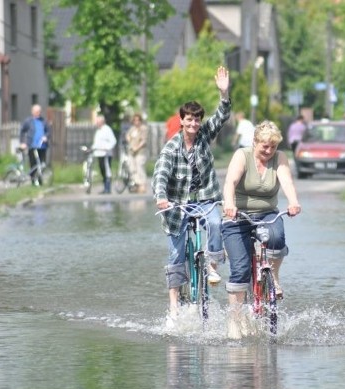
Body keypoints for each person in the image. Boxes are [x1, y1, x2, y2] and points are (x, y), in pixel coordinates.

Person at [152, 66, 231, 317]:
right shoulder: (171, 148)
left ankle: (212, 262)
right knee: (176, 253)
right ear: (182, 121)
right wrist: (161, 197)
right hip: (177, 205)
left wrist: (224, 93)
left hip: (205, 198)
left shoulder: (205, 136)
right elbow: (161, 175)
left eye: (197, 119)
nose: (194, 123)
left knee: (217, 222)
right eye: (189, 119)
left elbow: (221, 116)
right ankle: (175, 304)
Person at [222, 120, 302, 339]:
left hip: (267, 212)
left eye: (273, 146)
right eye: (264, 146)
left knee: (277, 238)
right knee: (240, 269)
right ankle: (235, 321)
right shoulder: (242, 155)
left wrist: (293, 202)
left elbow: (286, 182)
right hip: (237, 215)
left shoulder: (280, 158)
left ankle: (273, 276)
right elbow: (230, 182)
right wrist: (229, 204)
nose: (269, 151)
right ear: (254, 141)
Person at [19, 104, 51, 186]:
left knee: (41, 164)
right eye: (36, 111)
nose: (38, 113)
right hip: (32, 146)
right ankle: (33, 181)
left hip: (42, 147)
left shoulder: (44, 121)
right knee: (33, 164)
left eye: (39, 111)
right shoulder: (28, 121)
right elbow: (22, 131)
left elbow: (49, 131)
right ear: (32, 112)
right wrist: (23, 142)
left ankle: (40, 180)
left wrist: (46, 137)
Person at [91, 114, 117, 194]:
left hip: (106, 154)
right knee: (102, 171)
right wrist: (91, 148)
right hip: (99, 154)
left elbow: (113, 141)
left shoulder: (107, 129)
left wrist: (107, 148)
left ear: (102, 121)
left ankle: (108, 188)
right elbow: (97, 143)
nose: (96, 123)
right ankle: (105, 187)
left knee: (107, 171)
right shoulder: (98, 131)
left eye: (98, 121)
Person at [125, 113, 148, 193]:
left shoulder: (143, 128)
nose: (136, 122)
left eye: (138, 120)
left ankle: (142, 185)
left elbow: (143, 140)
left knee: (139, 167)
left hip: (140, 151)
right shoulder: (132, 129)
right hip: (131, 151)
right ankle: (137, 184)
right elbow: (127, 136)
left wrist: (137, 147)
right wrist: (128, 138)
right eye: (134, 120)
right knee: (132, 168)